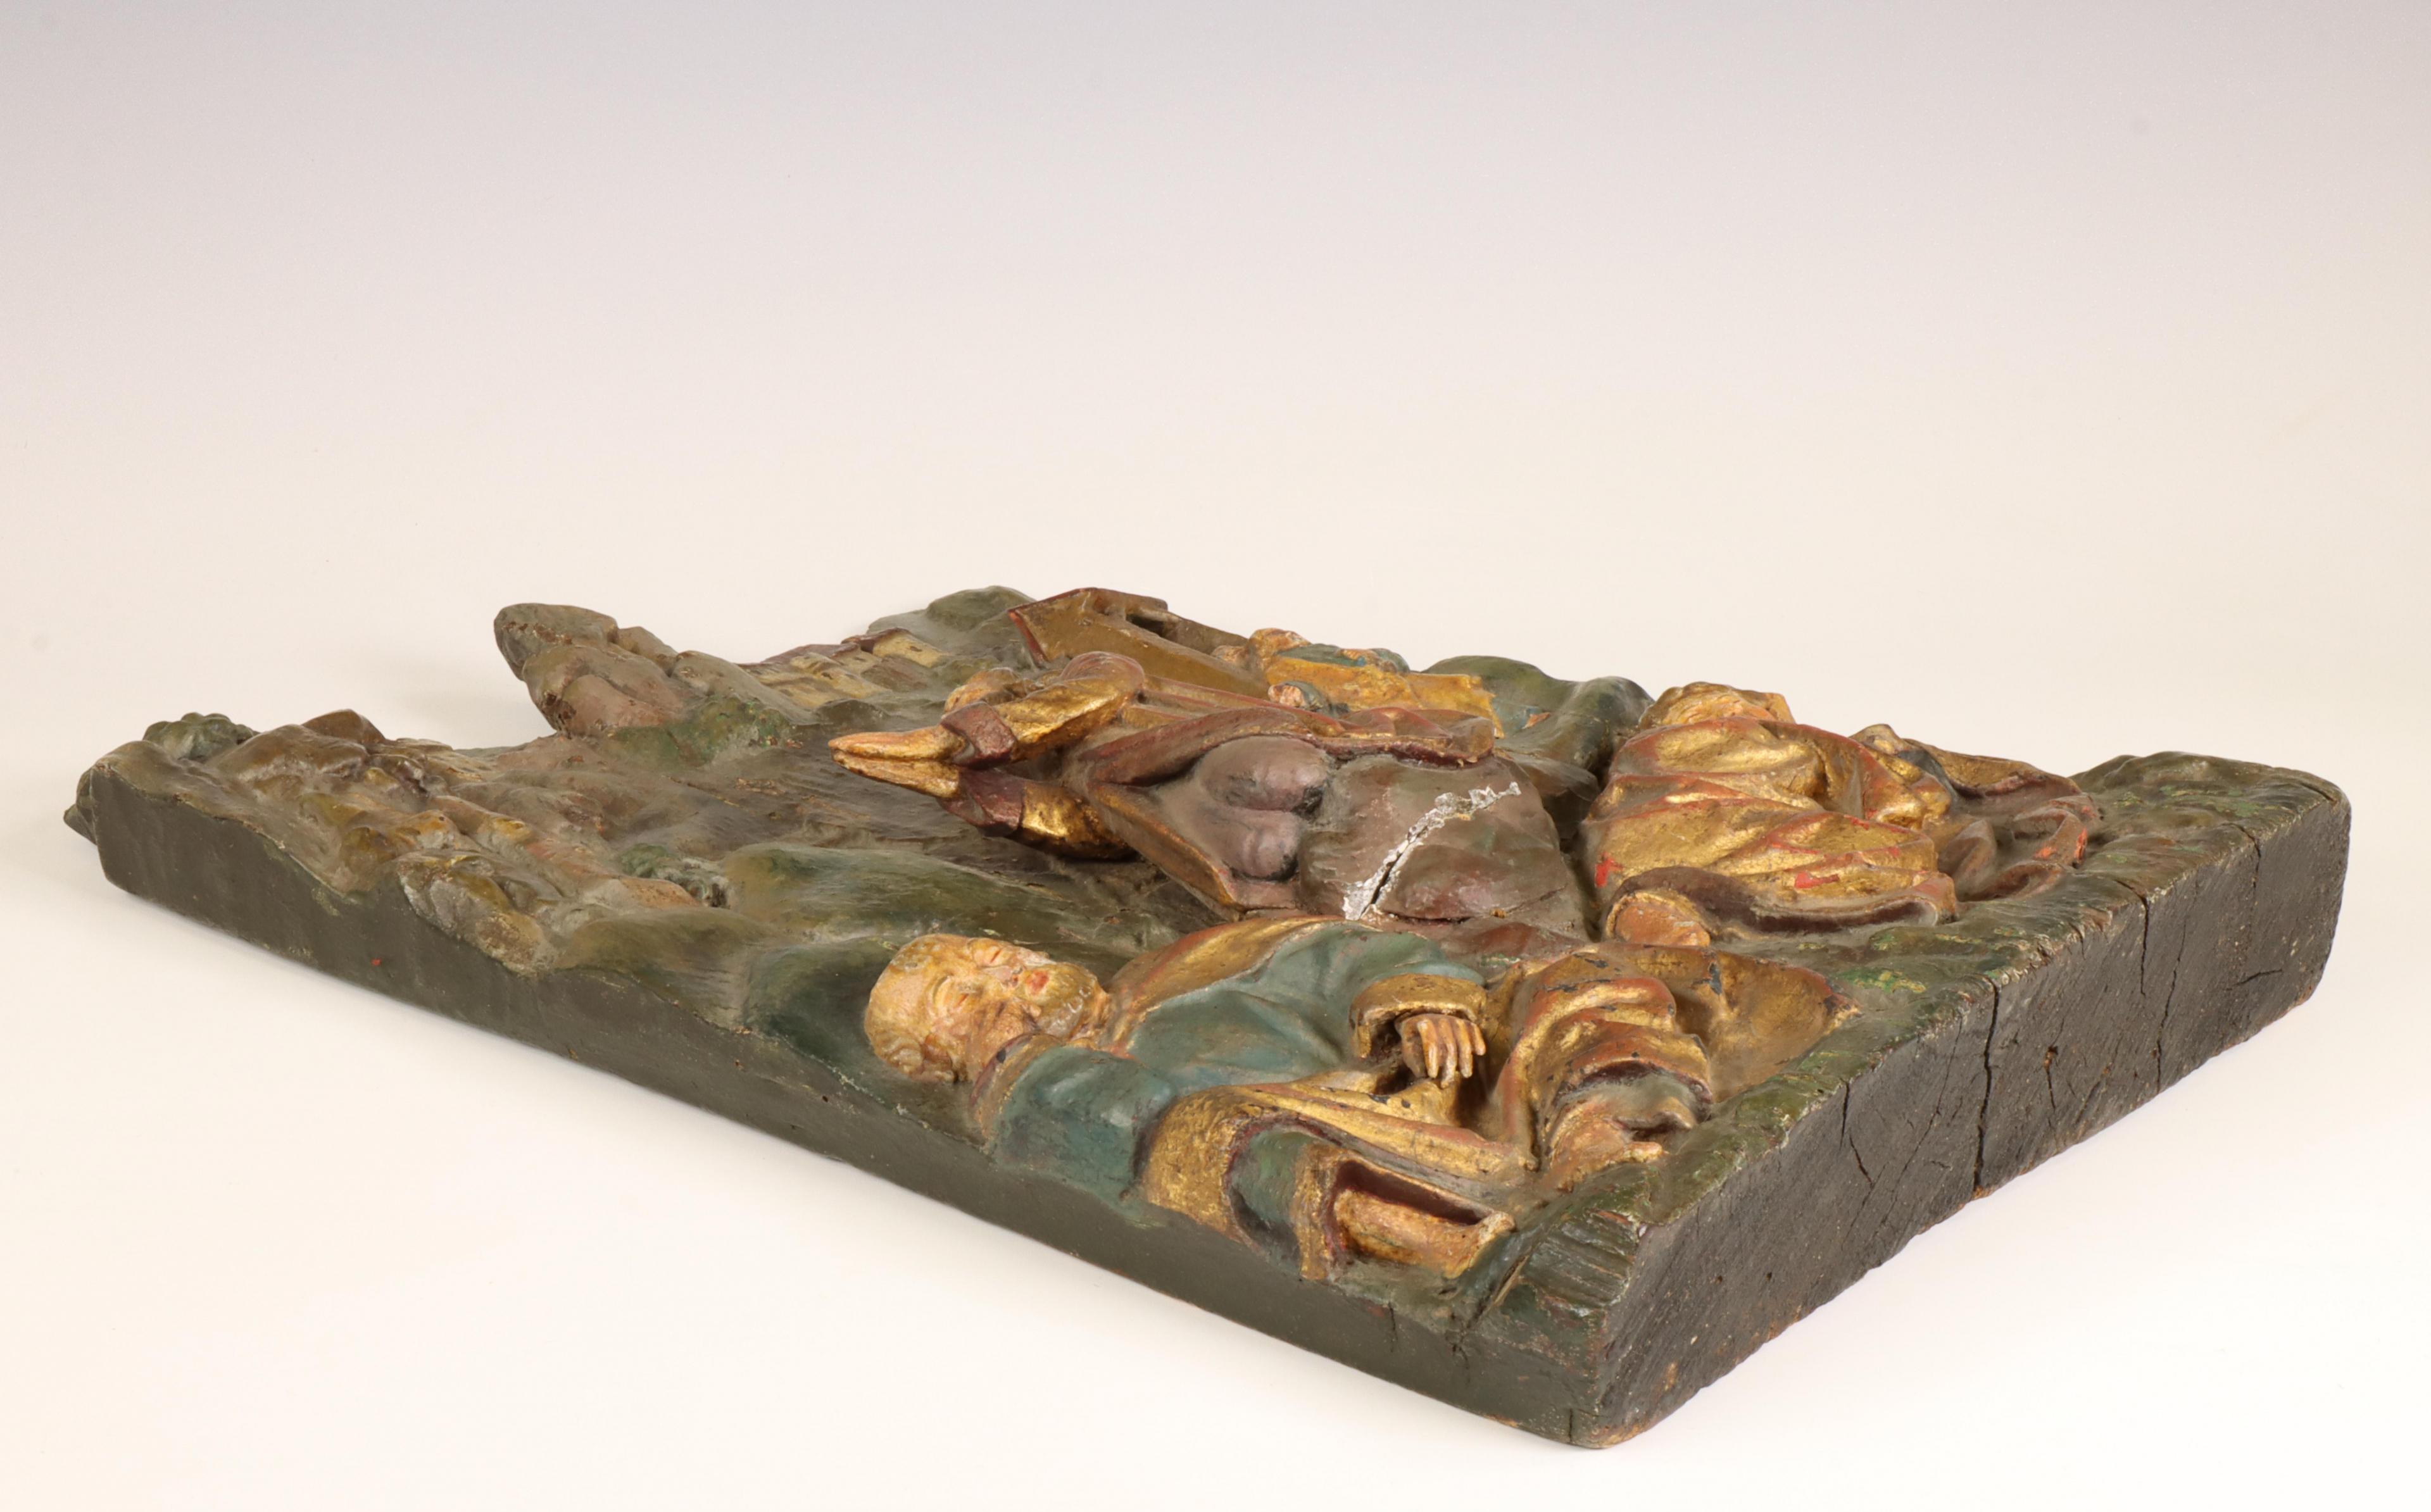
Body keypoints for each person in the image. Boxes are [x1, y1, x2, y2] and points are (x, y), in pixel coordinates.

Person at [862, 916, 1845, 1280]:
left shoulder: (1183, 968)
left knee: (1571, 979)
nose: (1011, 981)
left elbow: (1339, 953)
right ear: (942, 1061)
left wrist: (1415, 1001)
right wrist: (1018, 1062)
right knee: (1200, 1134)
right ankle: (1479, 1252)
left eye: (996, 957)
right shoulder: (1038, 1098)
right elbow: (1126, 1130)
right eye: (968, 1000)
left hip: (1453, 1084)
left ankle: (1614, 1149)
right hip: (1338, 1148)